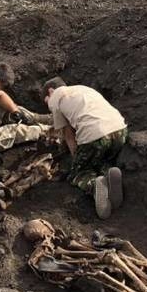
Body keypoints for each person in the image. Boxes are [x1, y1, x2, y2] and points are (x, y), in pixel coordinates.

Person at [41, 77, 128, 219]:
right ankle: (108, 172)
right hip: (120, 131)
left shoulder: (55, 98)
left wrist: (76, 159)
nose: (48, 106)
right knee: (101, 159)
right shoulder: (83, 89)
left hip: (95, 137)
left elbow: (68, 137)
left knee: (79, 172)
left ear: (51, 91)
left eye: (46, 101)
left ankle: (94, 184)